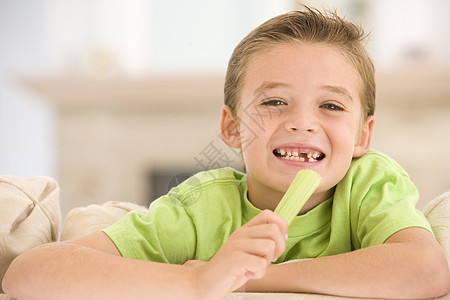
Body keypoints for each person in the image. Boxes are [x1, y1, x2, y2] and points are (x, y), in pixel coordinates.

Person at [3, 7, 449, 300]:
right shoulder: (201, 204)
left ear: (361, 137)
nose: (302, 122)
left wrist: (255, 277)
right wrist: (198, 280)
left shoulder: (370, 182)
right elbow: (28, 274)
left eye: (331, 106)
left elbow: (426, 272)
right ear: (232, 127)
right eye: (274, 102)